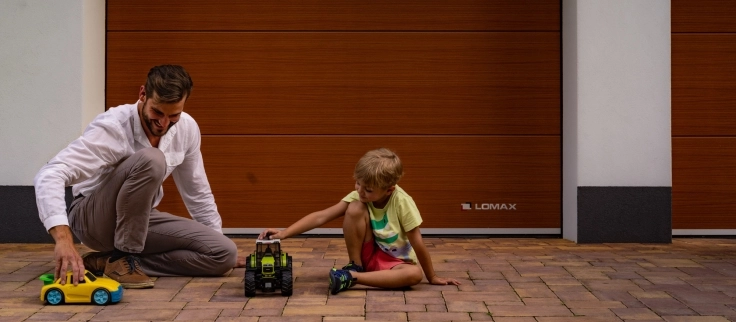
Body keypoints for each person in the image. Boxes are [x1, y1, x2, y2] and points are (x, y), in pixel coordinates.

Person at [34, 65, 238, 289]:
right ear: (143, 95)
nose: (164, 123)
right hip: (92, 219)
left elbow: (197, 190)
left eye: (174, 116)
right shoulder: (113, 127)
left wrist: (214, 238)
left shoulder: (187, 128)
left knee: (223, 254)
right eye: (157, 113)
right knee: (152, 159)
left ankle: (108, 262)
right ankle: (123, 257)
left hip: (138, 222)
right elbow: (49, 174)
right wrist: (63, 240)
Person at [259, 148, 461, 294]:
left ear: (389, 189)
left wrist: (432, 277)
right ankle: (355, 266)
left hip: (397, 264)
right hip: (369, 255)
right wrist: (284, 233)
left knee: (414, 276)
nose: (360, 191)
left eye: (368, 189)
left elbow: (418, 243)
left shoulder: (403, 203)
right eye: (358, 183)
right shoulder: (359, 197)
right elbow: (322, 216)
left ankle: (350, 278)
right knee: (354, 207)